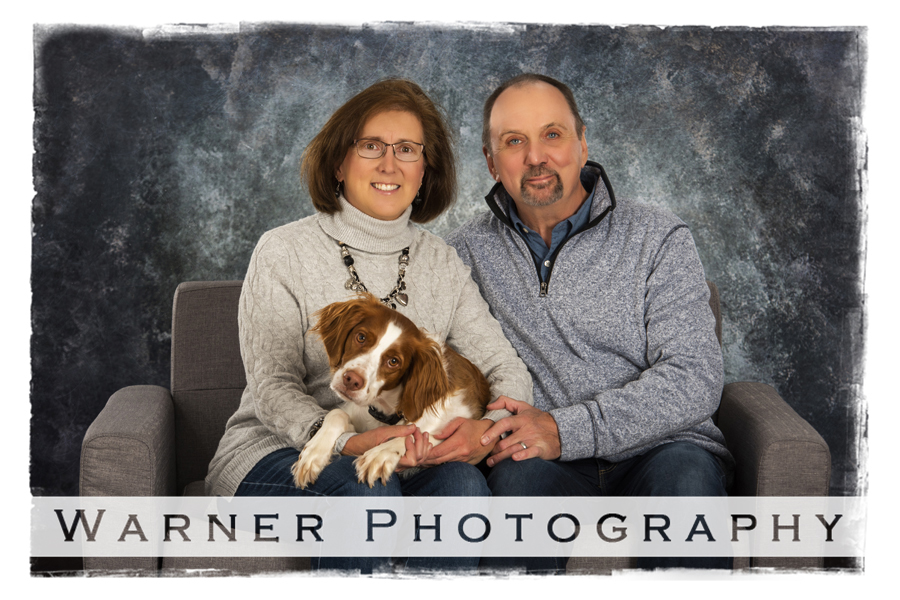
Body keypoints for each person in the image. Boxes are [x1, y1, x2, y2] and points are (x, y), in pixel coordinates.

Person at [205, 79, 533, 574]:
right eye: (371, 146)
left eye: (407, 149)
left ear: (425, 171)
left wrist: (483, 430)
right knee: (361, 491)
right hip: (277, 451)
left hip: (402, 452)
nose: (389, 164)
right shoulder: (283, 250)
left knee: (464, 490)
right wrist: (344, 442)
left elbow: (505, 367)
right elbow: (272, 386)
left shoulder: (442, 262)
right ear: (339, 162)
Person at [445, 73, 735, 573]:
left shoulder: (657, 236)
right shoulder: (461, 253)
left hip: (663, 448)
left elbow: (694, 378)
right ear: (492, 162)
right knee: (515, 496)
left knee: (686, 486)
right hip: (535, 459)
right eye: (514, 142)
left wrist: (565, 427)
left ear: (582, 142)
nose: (536, 156)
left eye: (552, 135)